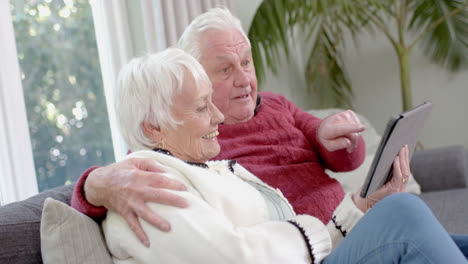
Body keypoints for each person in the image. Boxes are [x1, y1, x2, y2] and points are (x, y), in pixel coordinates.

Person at [71, 8, 468, 257]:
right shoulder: (159, 172)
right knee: (405, 213)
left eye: (246, 62)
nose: (244, 79)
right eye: (225, 70)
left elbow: (341, 152)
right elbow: (130, 168)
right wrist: (93, 184)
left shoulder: (223, 158)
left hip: (333, 236)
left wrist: (359, 198)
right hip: (321, 247)